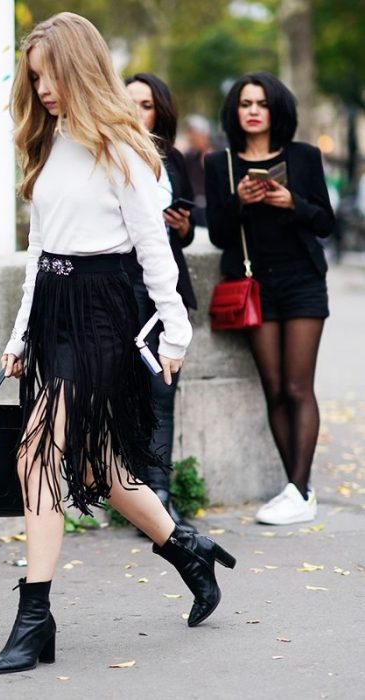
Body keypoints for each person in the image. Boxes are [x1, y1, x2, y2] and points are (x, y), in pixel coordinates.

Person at [0, 12, 236, 675]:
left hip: (105, 313)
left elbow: (155, 254)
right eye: (33, 77)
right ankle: (186, 549)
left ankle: (34, 614)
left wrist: (175, 336)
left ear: (80, 68)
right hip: (54, 312)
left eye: (50, 75)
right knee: (98, 470)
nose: (40, 88)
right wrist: (18, 337)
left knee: (37, 452)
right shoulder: (48, 144)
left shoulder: (124, 148)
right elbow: (38, 254)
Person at [205, 71, 335, 526]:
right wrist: (239, 200)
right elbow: (220, 234)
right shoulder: (219, 164)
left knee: (299, 387)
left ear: (276, 109)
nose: (254, 110)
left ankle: (299, 490)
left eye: (261, 102)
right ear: (235, 112)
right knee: (275, 389)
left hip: (302, 281)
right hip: (254, 285)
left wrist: (290, 202)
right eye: (245, 103)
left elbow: (325, 223)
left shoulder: (303, 157)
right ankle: (297, 489)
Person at [124, 73, 197, 533]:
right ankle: (134, 501)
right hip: (118, 290)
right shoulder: (108, 156)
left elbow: (181, 238)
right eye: (128, 102)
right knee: (123, 397)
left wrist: (183, 228)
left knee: (162, 395)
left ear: (160, 111)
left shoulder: (174, 161)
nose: (136, 111)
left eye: (146, 104)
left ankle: (160, 498)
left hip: (165, 295)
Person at [183, 115, 213, 227]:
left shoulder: (211, 156)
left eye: (193, 133)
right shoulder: (189, 156)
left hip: (204, 209)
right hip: (193, 206)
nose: (190, 137)